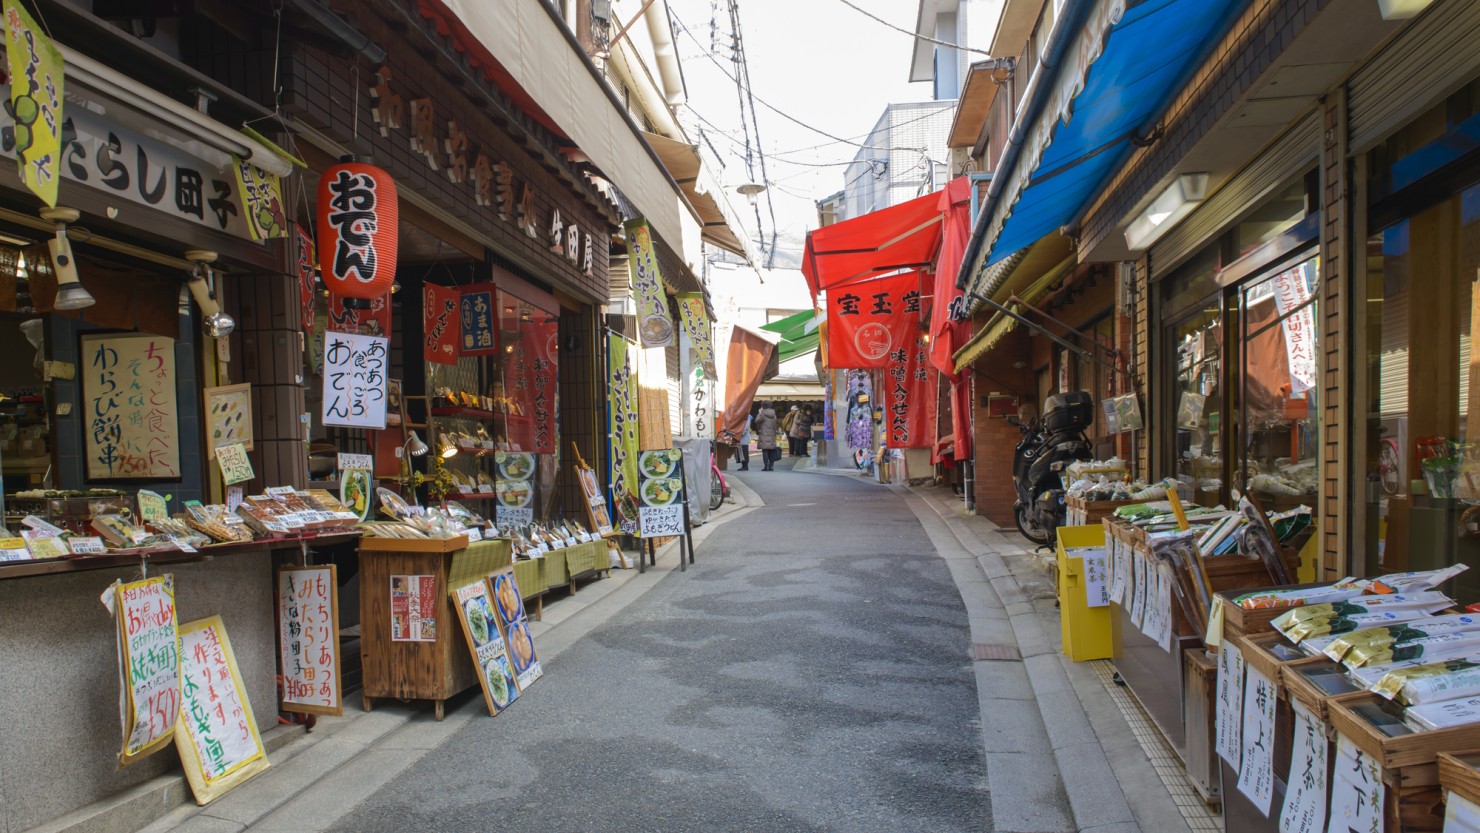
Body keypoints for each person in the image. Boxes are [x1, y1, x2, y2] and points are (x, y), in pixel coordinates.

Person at [754, 401, 780, 471]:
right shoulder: (774, 414)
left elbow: (756, 421)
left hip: (764, 434)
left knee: (765, 450)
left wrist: (759, 413)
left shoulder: (762, 413)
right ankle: (771, 466)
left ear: (763, 406)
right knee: (772, 450)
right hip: (772, 434)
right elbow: (775, 424)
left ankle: (766, 466)